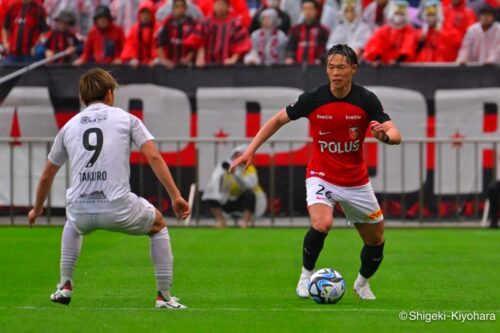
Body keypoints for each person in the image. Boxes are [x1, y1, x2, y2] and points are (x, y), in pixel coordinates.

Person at [231, 44, 401, 300]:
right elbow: (277, 119)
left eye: (342, 67)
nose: (336, 72)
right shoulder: (313, 98)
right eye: (331, 67)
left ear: (353, 69)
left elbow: (396, 134)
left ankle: (362, 284)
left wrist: (384, 137)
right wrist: (250, 150)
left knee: (376, 242)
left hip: (356, 182)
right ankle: (305, 276)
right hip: (321, 175)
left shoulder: (366, 99)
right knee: (322, 223)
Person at [28, 68, 190, 309]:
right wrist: (176, 196)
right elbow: (154, 157)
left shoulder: (69, 126)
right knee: (158, 226)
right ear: (110, 94)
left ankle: (64, 286)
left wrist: (37, 208)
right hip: (117, 205)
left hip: (81, 208)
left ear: (83, 98)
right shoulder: (127, 119)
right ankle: (164, 297)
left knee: (72, 223)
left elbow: (46, 175)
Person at [203, 145, 267, 228]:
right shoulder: (224, 169)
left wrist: (236, 174)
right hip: (229, 199)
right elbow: (215, 185)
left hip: (246, 201)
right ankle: (221, 221)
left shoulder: (249, 168)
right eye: (235, 155)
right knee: (211, 195)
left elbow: (249, 186)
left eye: (240, 155)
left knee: (248, 194)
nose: (237, 157)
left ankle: (245, 222)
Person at [189, 0, 251, 67]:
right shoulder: (206, 22)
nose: (220, 7)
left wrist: (233, 59)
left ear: (228, 6)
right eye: (218, 4)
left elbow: (241, 44)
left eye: (222, 4)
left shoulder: (236, 23)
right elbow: (199, 41)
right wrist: (200, 57)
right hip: (208, 65)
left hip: (228, 66)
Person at [363, 0, 418, 65]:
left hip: (402, 67)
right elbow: (375, 44)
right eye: (396, 13)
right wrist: (377, 58)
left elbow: (408, 47)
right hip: (383, 67)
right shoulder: (383, 30)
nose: (399, 15)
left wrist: (398, 60)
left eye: (401, 13)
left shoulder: (410, 31)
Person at [2, 0, 48, 64]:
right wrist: (5, 43)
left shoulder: (38, 9)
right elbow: (4, 27)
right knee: (8, 72)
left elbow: (44, 31)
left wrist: (36, 45)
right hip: (12, 53)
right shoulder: (13, 6)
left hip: (29, 54)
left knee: (28, 73)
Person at [284, 0, 330, 65]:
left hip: (317, 68)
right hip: (297, 67)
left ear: (316, 11)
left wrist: (321, 59)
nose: (307, 11)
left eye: (310, 8)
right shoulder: (295, 29)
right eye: (305, 8)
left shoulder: (323, 30)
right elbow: (290, 47)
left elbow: (327, 49)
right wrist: (290, 58)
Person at [155, 0, 198, 68]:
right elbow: (159, 42)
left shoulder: (191, 23)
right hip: (170, 66)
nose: (179, 9)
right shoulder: (168, 22)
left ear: (186, 8)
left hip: (188, 66)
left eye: (182, 6)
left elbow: (194, 45)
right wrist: (163, 60)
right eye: (177, 7)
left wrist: (187, 59)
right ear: (173, 8)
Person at [119, 0, 159, 67]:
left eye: (148, 13)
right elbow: (129, 46)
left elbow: (159, 46)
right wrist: (132, 58)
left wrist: (157, 58)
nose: (145, 16)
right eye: (143, 13)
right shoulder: (134, 29)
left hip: (154, 66)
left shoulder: (158, 29)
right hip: (137, 67)